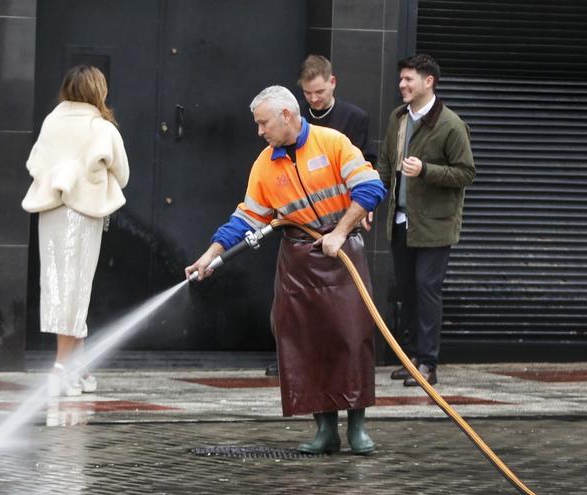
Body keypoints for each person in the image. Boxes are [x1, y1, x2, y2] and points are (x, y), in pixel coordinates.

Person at [185, 86, 386, 455]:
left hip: (342, 255)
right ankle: (325, 428)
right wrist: (209, 256)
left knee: (352, 337)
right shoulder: (265, 163)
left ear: (287, 116)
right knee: (304, 342)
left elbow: (372, 188)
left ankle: (357, 427)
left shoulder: (333, 143)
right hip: (297, 262)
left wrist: (340, 232)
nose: (260, 131)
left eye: (263, 123)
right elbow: (245, 218)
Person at [265, 54, 378, 377]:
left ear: (332, 83)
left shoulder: (351, 120)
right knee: (294, 306)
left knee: (345, 307)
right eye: (308, 94)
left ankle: (343, 371)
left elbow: (367, 172)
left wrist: (359, 214)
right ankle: (293, 358)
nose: (314, 99)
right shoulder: (289, 123)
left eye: (319, 92)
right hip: (300, 228)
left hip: (339, 224)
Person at [22, 65, 129, 397]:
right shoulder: (100, 126)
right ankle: (60, 369)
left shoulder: (52, 122)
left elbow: (35, 163)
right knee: (76, 289)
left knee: (59, 289)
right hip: (84, 214)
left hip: (51, 211)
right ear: (99, 91)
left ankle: (76, 369)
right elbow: (122, 173)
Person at [376, 54, 475, 387]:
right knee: (406, 290)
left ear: (428, 81)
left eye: (408, 79)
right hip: (401, 221)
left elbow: (466, 173)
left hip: (435, 225)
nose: (401, 85)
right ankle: (412, 357)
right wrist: (371, 202)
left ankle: (428, 364)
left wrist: (427, 171)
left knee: (427, 290)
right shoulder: (397, 118)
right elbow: (387, 165)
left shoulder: (450, 124)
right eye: (401, 79)